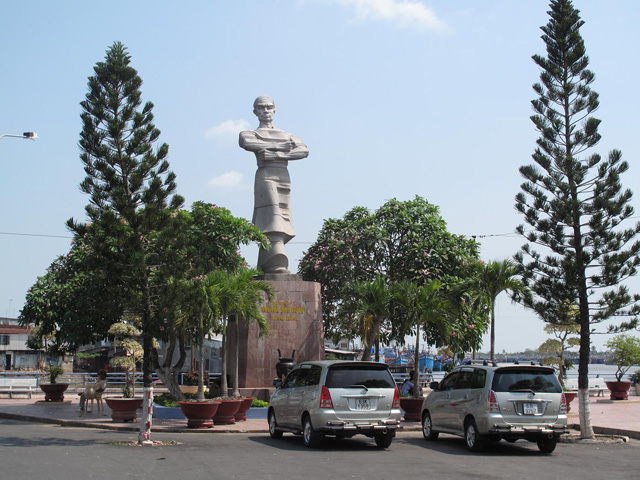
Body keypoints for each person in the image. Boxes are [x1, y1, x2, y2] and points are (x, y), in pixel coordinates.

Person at [239, 95, 309, 274]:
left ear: (274, 109)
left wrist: (276, 155)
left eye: (269, 107)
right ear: (255, 111)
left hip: (283, 176)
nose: (265, 111)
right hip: (265, 175)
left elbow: (303, 150)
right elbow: (247, 142)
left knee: (284, 214)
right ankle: (276, 260)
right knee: (271, 214)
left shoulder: (286, 134)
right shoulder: (250, 133)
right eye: (261, 108)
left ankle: (269, 262)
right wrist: (284, 147)